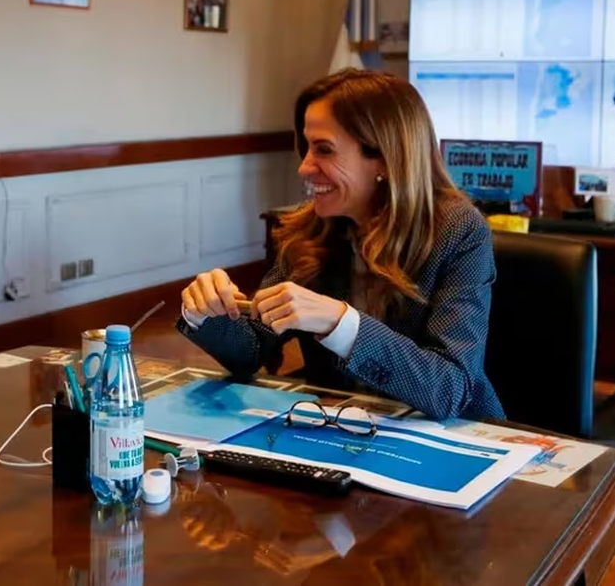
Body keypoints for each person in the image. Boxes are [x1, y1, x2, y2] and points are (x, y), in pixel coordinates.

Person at [178, 69, 504, 421]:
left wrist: (342, 323)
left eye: (324, 149)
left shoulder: (459, 230)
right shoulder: (310, 229)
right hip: (340, 430)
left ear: (384, 159)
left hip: (456, 435)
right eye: (307, 148)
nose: (304, 167)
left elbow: (450, 388)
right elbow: (253, 347)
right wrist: (204, 312)